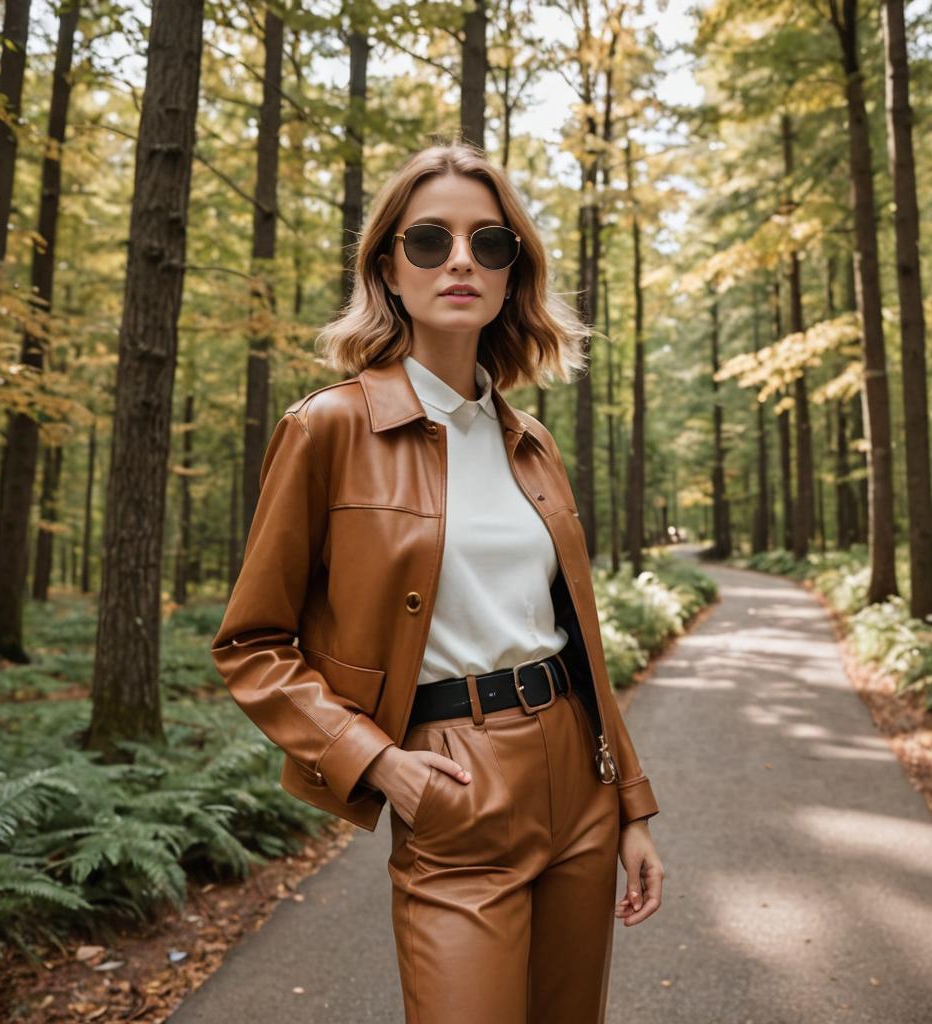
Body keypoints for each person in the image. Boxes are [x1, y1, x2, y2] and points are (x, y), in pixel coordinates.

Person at [211, 139, 664, 1024]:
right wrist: (380, 764)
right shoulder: (329, 429)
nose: (461, 260)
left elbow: (581, 641)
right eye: (430, 241)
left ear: (510, 274)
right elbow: (251, 645)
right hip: (451, 779)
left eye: (489, 244)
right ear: (388, 266)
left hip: (579, 778)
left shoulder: (530, 441)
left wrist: (633, 808)